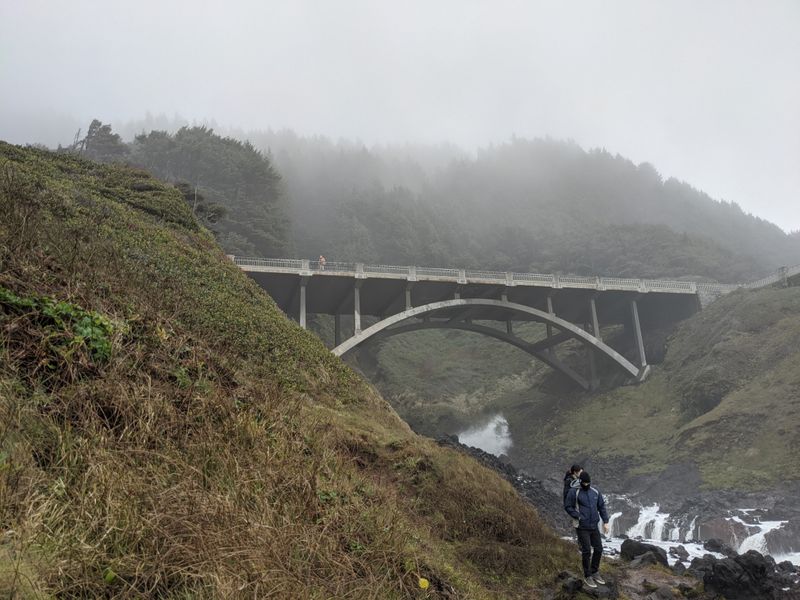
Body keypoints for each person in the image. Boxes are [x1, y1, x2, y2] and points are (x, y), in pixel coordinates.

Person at [564, 471, 610, 589]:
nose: (586, 485)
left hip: (594, 526)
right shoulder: (574, 491)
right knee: (587, 551)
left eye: (588, 483)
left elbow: (601, 507)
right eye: (584, 483)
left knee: (599, 549)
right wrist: (578, 516)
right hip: (582, 526)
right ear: (580, 481)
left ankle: (595, 571)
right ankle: (587, 575)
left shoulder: (595, 492)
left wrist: (605, 521)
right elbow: (568, 506)